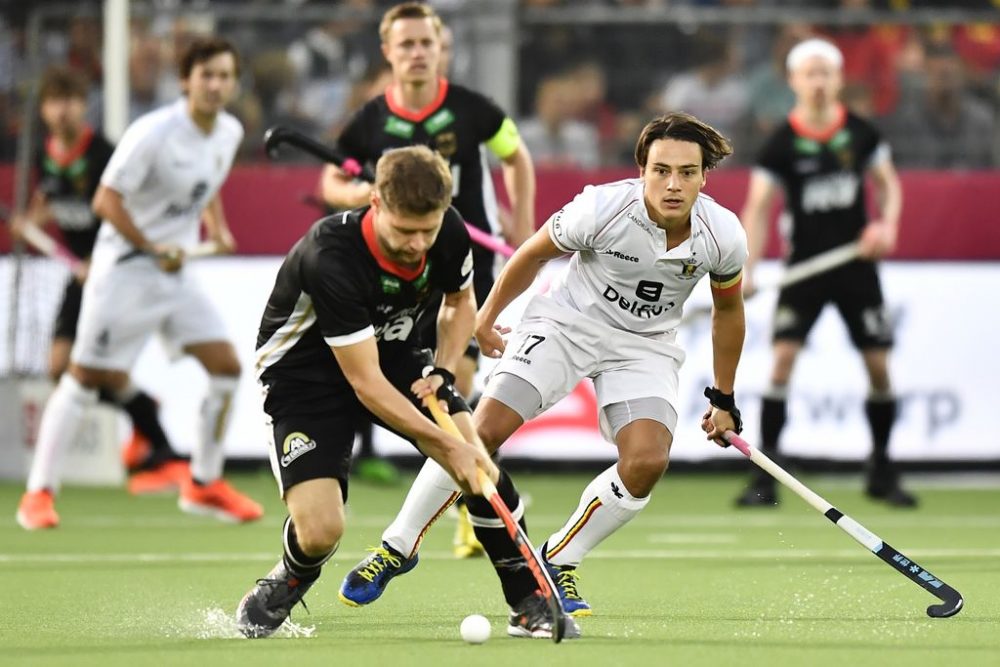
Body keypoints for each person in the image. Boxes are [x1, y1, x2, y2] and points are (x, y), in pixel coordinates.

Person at [338, 112, 748, 618]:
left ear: (705, 177)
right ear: (641, 168)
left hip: (644, 346)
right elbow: (531, 255)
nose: (673, 184)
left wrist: (723, 399)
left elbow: (728, 311)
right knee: (480, 431)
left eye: (688, 172)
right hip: (565, 324)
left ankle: (558, 559)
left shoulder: (722, 233)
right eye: (661, 170)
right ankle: (395, 547)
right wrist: (485, 319)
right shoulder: (601, 208)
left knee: (646, 461)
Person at [235, 145, 578, 640]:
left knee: (478, 467)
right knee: (321, 531)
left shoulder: (449, 229)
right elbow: (364, 384)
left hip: (393, 350)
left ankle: (529, 602)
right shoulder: (330, 255)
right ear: (375, 202)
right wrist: (447, 446)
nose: (418, 244)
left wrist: (442, 368)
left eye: (428, 230)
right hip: (305, 375)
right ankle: (293, 574)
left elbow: (460, 304)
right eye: (404, 230)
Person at [15, 36, 263, 530]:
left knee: (226, 367)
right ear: (186, 81)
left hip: (174, 274)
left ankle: (204, 481)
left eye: (224, 76)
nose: (215, 85)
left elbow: (207, 184)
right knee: (81, 379)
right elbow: (107, 202)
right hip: (124, 269)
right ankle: (38, 493)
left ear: (233, 83)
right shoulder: (153, 132)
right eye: (205, 75)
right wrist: (151, 247)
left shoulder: (229, 131)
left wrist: (216, 228)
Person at [319, 1, 537, 558]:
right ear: (388, 52)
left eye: (427, 43)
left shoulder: (472, 110)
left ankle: (471, 499)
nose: (418, 53)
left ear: (443, 50)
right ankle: (474, 496)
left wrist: (521, 219)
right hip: (400, 270)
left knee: (454, 376)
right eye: (407, 44)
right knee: (437, 386)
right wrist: (365, 193)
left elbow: (517, 157)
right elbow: (331, 181)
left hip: (466, 262)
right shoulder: (369, 120)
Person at [733, 38, 913, 508]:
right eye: (808, 74)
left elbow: (888, 187)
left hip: (856, 266)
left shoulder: (860, 134)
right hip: (804, 270)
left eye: (825, 73)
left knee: (878, 367)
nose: (817, 82)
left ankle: (881, 466)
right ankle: (767, 474)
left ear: (838, 79)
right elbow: (758, 208)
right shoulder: (780, 143)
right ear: (793, 81)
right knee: (782, 362)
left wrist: (886, 224)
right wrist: (748, 269)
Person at [10, 66, 188, 497]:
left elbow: (126, 204)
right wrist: (30, 221)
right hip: (79, 273)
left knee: (98, 370)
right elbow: (48, 201)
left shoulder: (104, 152)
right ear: (45, 110)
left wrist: (104, 256)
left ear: (82, 106)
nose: (63, 111)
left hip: (116, 268)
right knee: (60, 369)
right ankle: (141, 407)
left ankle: (159, 444)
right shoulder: (45, 154)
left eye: (71, 102)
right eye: (55, 102)